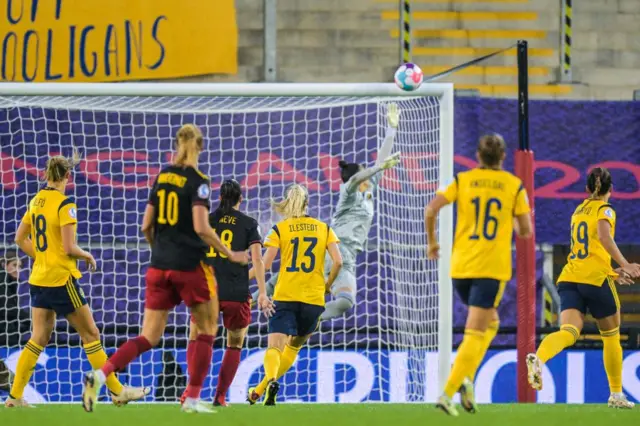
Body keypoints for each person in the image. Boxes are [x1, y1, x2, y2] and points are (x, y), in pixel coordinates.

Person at [81, 124, 249, 414]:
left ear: (176, 143)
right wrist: (230, 253)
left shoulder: (161, 176)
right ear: (200, 146)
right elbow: (201, 227)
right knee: (207, 328)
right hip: (190, 265)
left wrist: (160, 250)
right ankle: (193, 399)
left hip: (159, 266)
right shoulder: (199, 181)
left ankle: (100, 375)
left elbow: (146, 225)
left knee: (149, 336)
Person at [8, 153, 149, 408]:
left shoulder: (36, 200)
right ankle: (117, 391)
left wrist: (43, 258)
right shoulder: (65, 204)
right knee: (91, 333)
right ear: (67, 177)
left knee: (37, 337)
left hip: (38, 279)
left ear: (47, 175)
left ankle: (15, 397)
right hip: (61, 279)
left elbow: (20, 239)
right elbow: (69, 247)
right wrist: (87, 255)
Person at [253, 103, 401, 321]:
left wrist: (391, 129)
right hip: (331, 251)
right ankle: (248, 299)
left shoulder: (369, 191)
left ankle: (311, 318)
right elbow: (358, 177)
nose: (369, 177)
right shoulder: (348, 193)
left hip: (347, 259)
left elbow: (380, 160)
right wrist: (376, 169)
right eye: (366, 174)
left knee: (344, 302)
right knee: (287, 278)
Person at [425, 134, 533, 416]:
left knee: (491, 324)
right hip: (490, 268)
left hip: (460, 267)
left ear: (477, 156)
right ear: (503, 157)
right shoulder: (514, 186)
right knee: (475, 331)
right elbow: (526, 231)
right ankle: (447, 393)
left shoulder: (463, 180)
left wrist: (433, 243)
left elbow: (431, 210)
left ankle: (465, 377)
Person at [527, 167, 640, 409]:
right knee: (611, 336)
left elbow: (588, 251)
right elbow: (604, 237)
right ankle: (616, 394)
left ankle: (539, 357)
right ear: (611, 189)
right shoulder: (605, 209)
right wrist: (625, 264)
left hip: (570, 278)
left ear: (587, 189)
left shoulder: (578, 211)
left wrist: (613, 271)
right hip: (595, 281)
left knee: (569, 332)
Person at [247, 184, 342, 405]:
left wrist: (240, 278)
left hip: (286, 297)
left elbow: (266, 264)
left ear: (288, 203)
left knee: (274, 347)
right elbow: (339, 261)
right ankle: (259, 391)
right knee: (293, 347)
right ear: (308, 203)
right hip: (313, 300)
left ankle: (269, 381)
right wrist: (328, 285)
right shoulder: (324, 228)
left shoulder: (280, 229)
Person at [184, 179, 273, 407]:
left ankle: (189, 392)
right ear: (240, 200)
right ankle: (220, 397)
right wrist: (262, 293)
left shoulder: (206, 222)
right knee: (234, 344)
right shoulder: (249, 224)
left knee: (197, 339)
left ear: (220, 198)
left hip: (207, 293)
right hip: (236, 293)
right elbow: (258, 260)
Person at [0, 250, 30, 348]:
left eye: (20, 266)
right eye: (14, 265)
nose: (18, 269)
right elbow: (6, 309)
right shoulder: (2, 280)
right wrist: (30, 319)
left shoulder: (11, 283)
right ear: (4, 265)